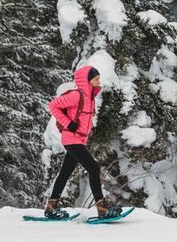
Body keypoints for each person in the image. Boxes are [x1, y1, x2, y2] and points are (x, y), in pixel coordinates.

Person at [44, 65, 122, 220]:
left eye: (99, 78)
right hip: (71, 139)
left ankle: (51, 207)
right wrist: (67, 123)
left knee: (65, 173)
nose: (99, 82)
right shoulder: (76, 95)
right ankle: (102, 208)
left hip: (79, 140)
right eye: (96, 79)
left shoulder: (90, 98)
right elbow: (53, 106)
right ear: (86, 80)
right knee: (93, 168)